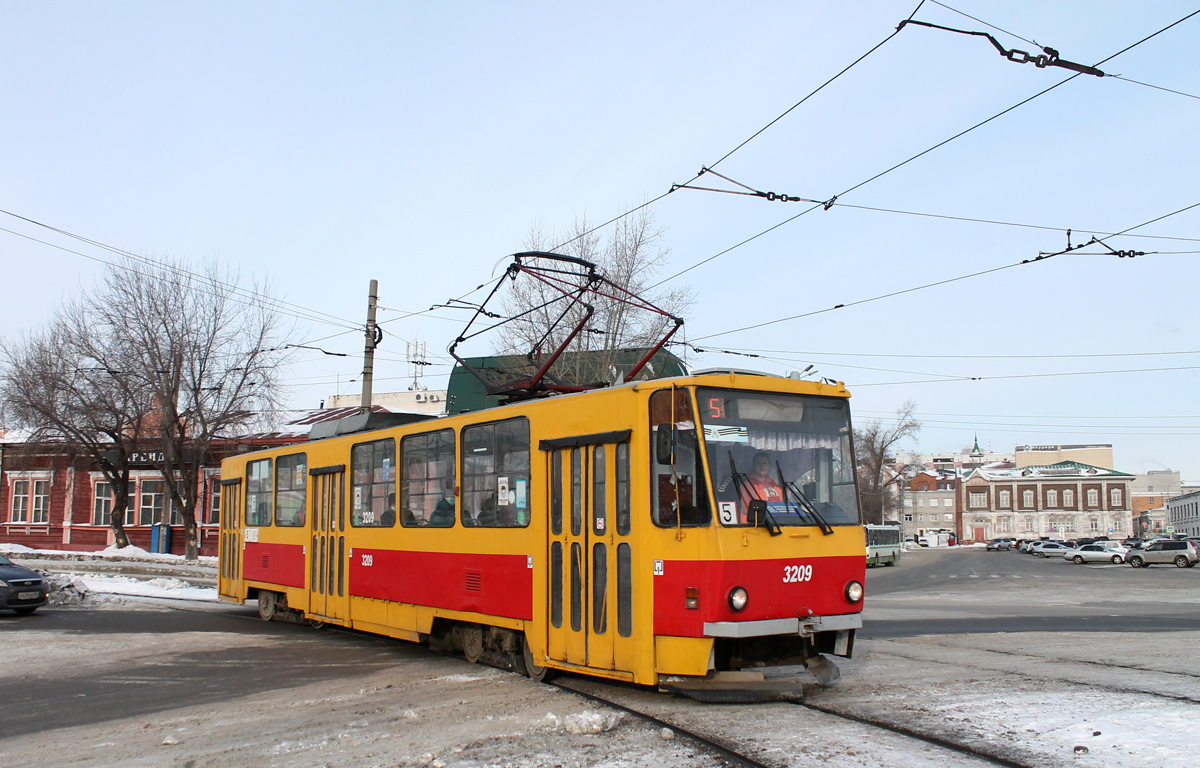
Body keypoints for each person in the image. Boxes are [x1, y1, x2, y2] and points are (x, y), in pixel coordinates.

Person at [739, 451, 783, 524]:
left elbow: (782, 505)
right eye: (758, 463)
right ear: (753, 466)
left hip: (774, 523)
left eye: (764, 463)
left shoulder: (774, 484)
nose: (762, 466)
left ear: (769, 466)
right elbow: (746, 510)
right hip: (753, 526)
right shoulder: (748, 485)